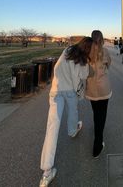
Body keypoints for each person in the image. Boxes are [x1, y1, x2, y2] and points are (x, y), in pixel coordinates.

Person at [39, 37, 93, 187]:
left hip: (56, 90)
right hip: (70, 91)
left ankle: (46, 171)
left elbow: (57, 68)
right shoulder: (83, 60)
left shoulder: (67, 50)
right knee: (73, 112)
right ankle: (72, 130)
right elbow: (83, 76)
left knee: (52, 128)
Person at [85, 30, 111, 158]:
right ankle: (98, 142)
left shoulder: (87, 52)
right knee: (102, 114)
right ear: (102, 39)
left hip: (91, 88)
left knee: (96, 112)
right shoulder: (105, 51)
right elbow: (109, 64)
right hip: (104, 87)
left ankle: (98, 134)